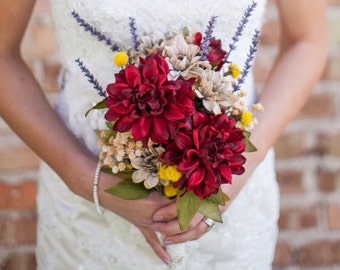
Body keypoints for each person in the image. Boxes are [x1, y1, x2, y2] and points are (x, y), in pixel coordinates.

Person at [0, 0, 327, 269]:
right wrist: (88, 180)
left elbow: (307, 40)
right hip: (87, 212)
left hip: (230, 199)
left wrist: (233, 176)